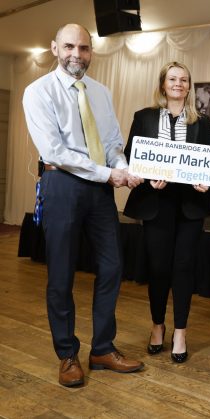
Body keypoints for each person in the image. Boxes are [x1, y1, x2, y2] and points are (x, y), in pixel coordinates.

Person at [22, 23, 144, 387]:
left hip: (100, 189)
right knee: (61, 274)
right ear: (55, 48)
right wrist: (109, 174)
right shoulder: (37, 91)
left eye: (84, 48)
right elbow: (55, 151)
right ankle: (67, 354)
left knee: (112, 267)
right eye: (70, 47)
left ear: (91, 52)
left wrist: (122, 169)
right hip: (62, 185)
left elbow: (112, 143)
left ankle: (103, 349)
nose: (77, 54)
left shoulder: (101, 92)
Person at [123, 62, 210, 363]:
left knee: (184, 268)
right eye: (173, 79)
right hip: (155, 202)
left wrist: (207, 181)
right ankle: (158, 325)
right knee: (159, 268)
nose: (178, 83)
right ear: (163, 84)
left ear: (189, 86)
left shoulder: (201, 121)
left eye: (184, 79)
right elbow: (131, 157)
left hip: (189, 204)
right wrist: (148, 177)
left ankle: (180, 332)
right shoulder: (144, 117)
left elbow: (208, 160)